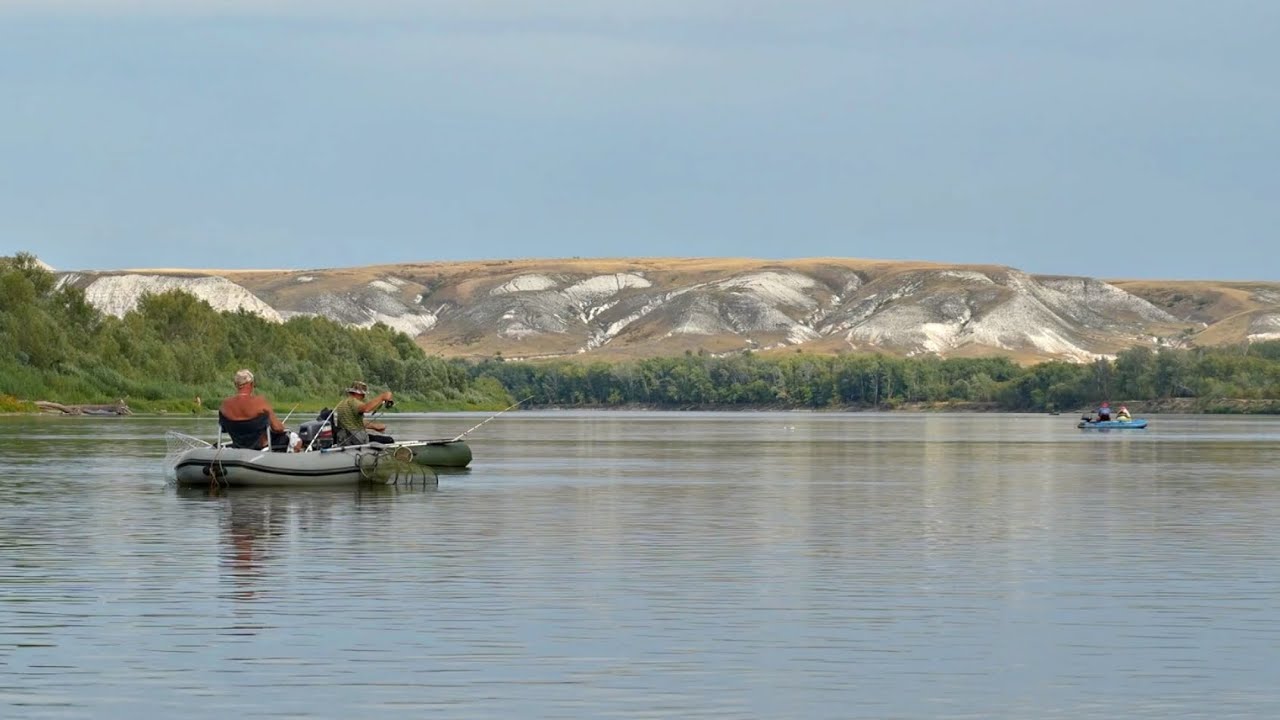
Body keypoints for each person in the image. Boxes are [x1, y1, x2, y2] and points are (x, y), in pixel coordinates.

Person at [218, 369, 288, 450]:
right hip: (260, 447)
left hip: (237, 445)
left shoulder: (225, 405)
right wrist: (282, 426)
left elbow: (224, 428)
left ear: (235, 385)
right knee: (295, 439)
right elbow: (277, 428)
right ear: (251, 384)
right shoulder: (260, 402)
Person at [332, 380, 394, 446]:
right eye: (363, 394)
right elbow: (366, 408)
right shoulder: (354, 402)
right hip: (354, 439)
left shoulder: (343, 403)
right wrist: (382, 397)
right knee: (389, 440)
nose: (364, 396)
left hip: (343, 439)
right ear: (358, 393)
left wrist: (375, 426)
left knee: (374, 437)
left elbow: (355, 422)